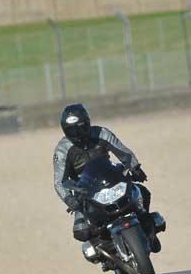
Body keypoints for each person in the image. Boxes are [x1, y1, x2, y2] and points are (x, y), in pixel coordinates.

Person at [53, 103, 164, 253]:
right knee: (81, 230)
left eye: (81, 127)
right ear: (65, 131)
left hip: (111, 179)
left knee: (143, 193)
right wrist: (69, 199)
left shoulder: (101, 133)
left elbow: (123, 152)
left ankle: (148, 228)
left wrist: (135, 168)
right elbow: (59, 181)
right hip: (85, 192)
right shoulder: (62, 149)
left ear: (88, 122)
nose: (78, 133)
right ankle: (100, 249)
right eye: (72, 130)